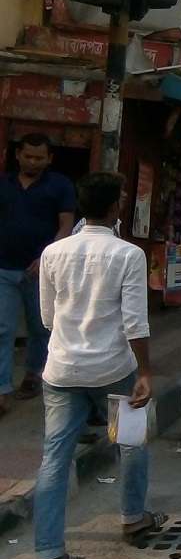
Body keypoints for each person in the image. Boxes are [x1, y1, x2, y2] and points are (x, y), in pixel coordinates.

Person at [29, 173, 161, 559]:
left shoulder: (53, 252)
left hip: (62, 369)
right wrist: (145, 372)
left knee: (55, 458)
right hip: (114, 370)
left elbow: (49, 318)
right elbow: (135, 323)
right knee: (131, 443)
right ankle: (133, 519)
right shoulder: (128, 255)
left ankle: (49, 554)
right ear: (115, 207)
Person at [0, 133, 76, 415]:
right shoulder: (4, 185)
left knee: (40, 328)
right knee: (2, 330)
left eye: (39, 157)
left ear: (49, 159)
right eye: (28, 156)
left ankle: (32, 374)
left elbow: (66, 225)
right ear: (18, 154)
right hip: (4, 268)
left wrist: (47, 258)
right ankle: (2, 391)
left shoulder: (60, 186)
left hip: (41, 273)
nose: (33, 162)